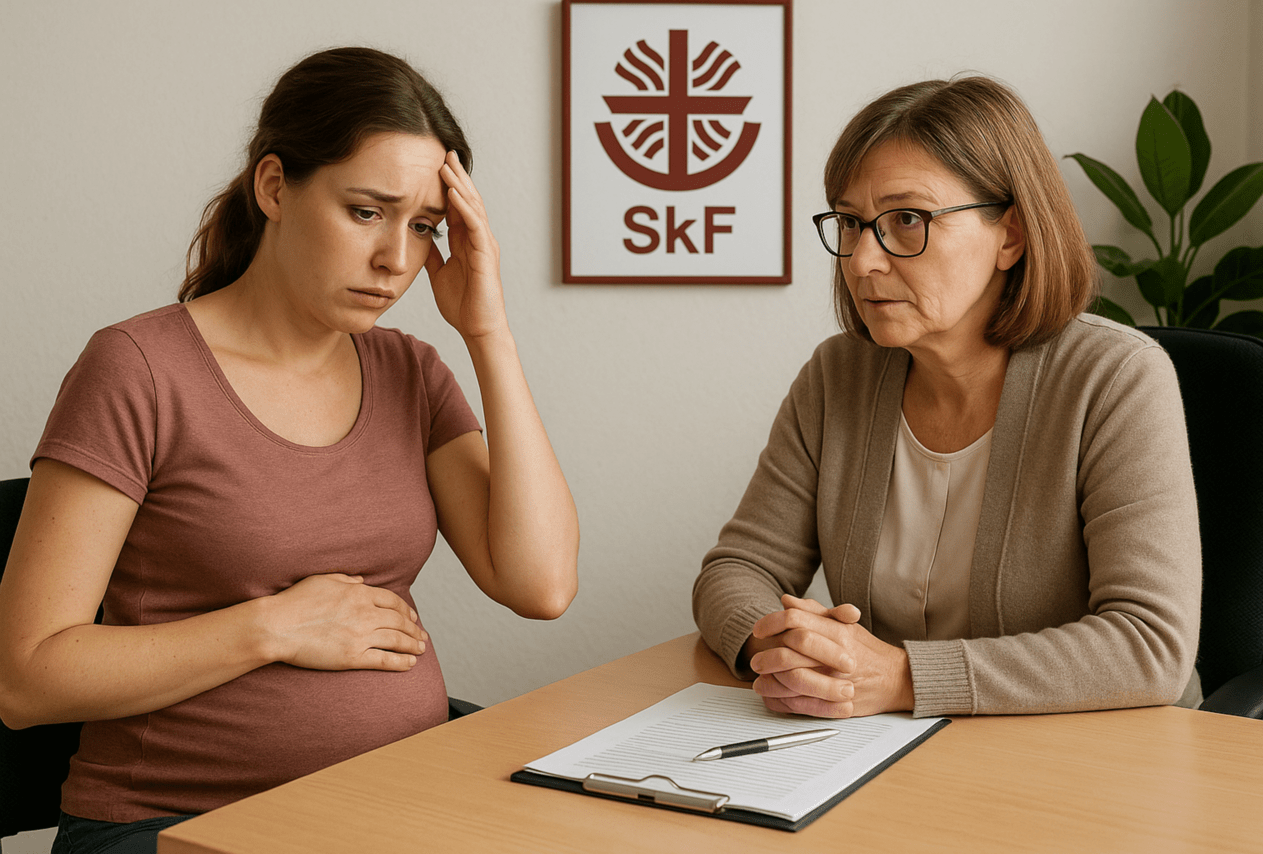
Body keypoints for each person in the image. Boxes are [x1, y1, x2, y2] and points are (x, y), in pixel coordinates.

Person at [0, 46, 578, 851]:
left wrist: (489, 333)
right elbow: (28, 677)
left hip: (391, 801)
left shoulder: (410, 371)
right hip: (177, 826)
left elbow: (541, 584)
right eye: (367, 211)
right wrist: (272, 628)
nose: (397, 261)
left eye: (424, 228)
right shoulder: (138, 370)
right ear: (274, 186)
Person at [693, 75, 1201, 720]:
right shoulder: (838, 376)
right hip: (892, 749)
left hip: (1098, 760)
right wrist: (789, 647)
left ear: (1010, 235)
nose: (861, 261)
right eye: (850, 223)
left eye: (907, 219)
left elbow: (1149, 646)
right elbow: (738, 567)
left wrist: (904, 678)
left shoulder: (1117, 379)